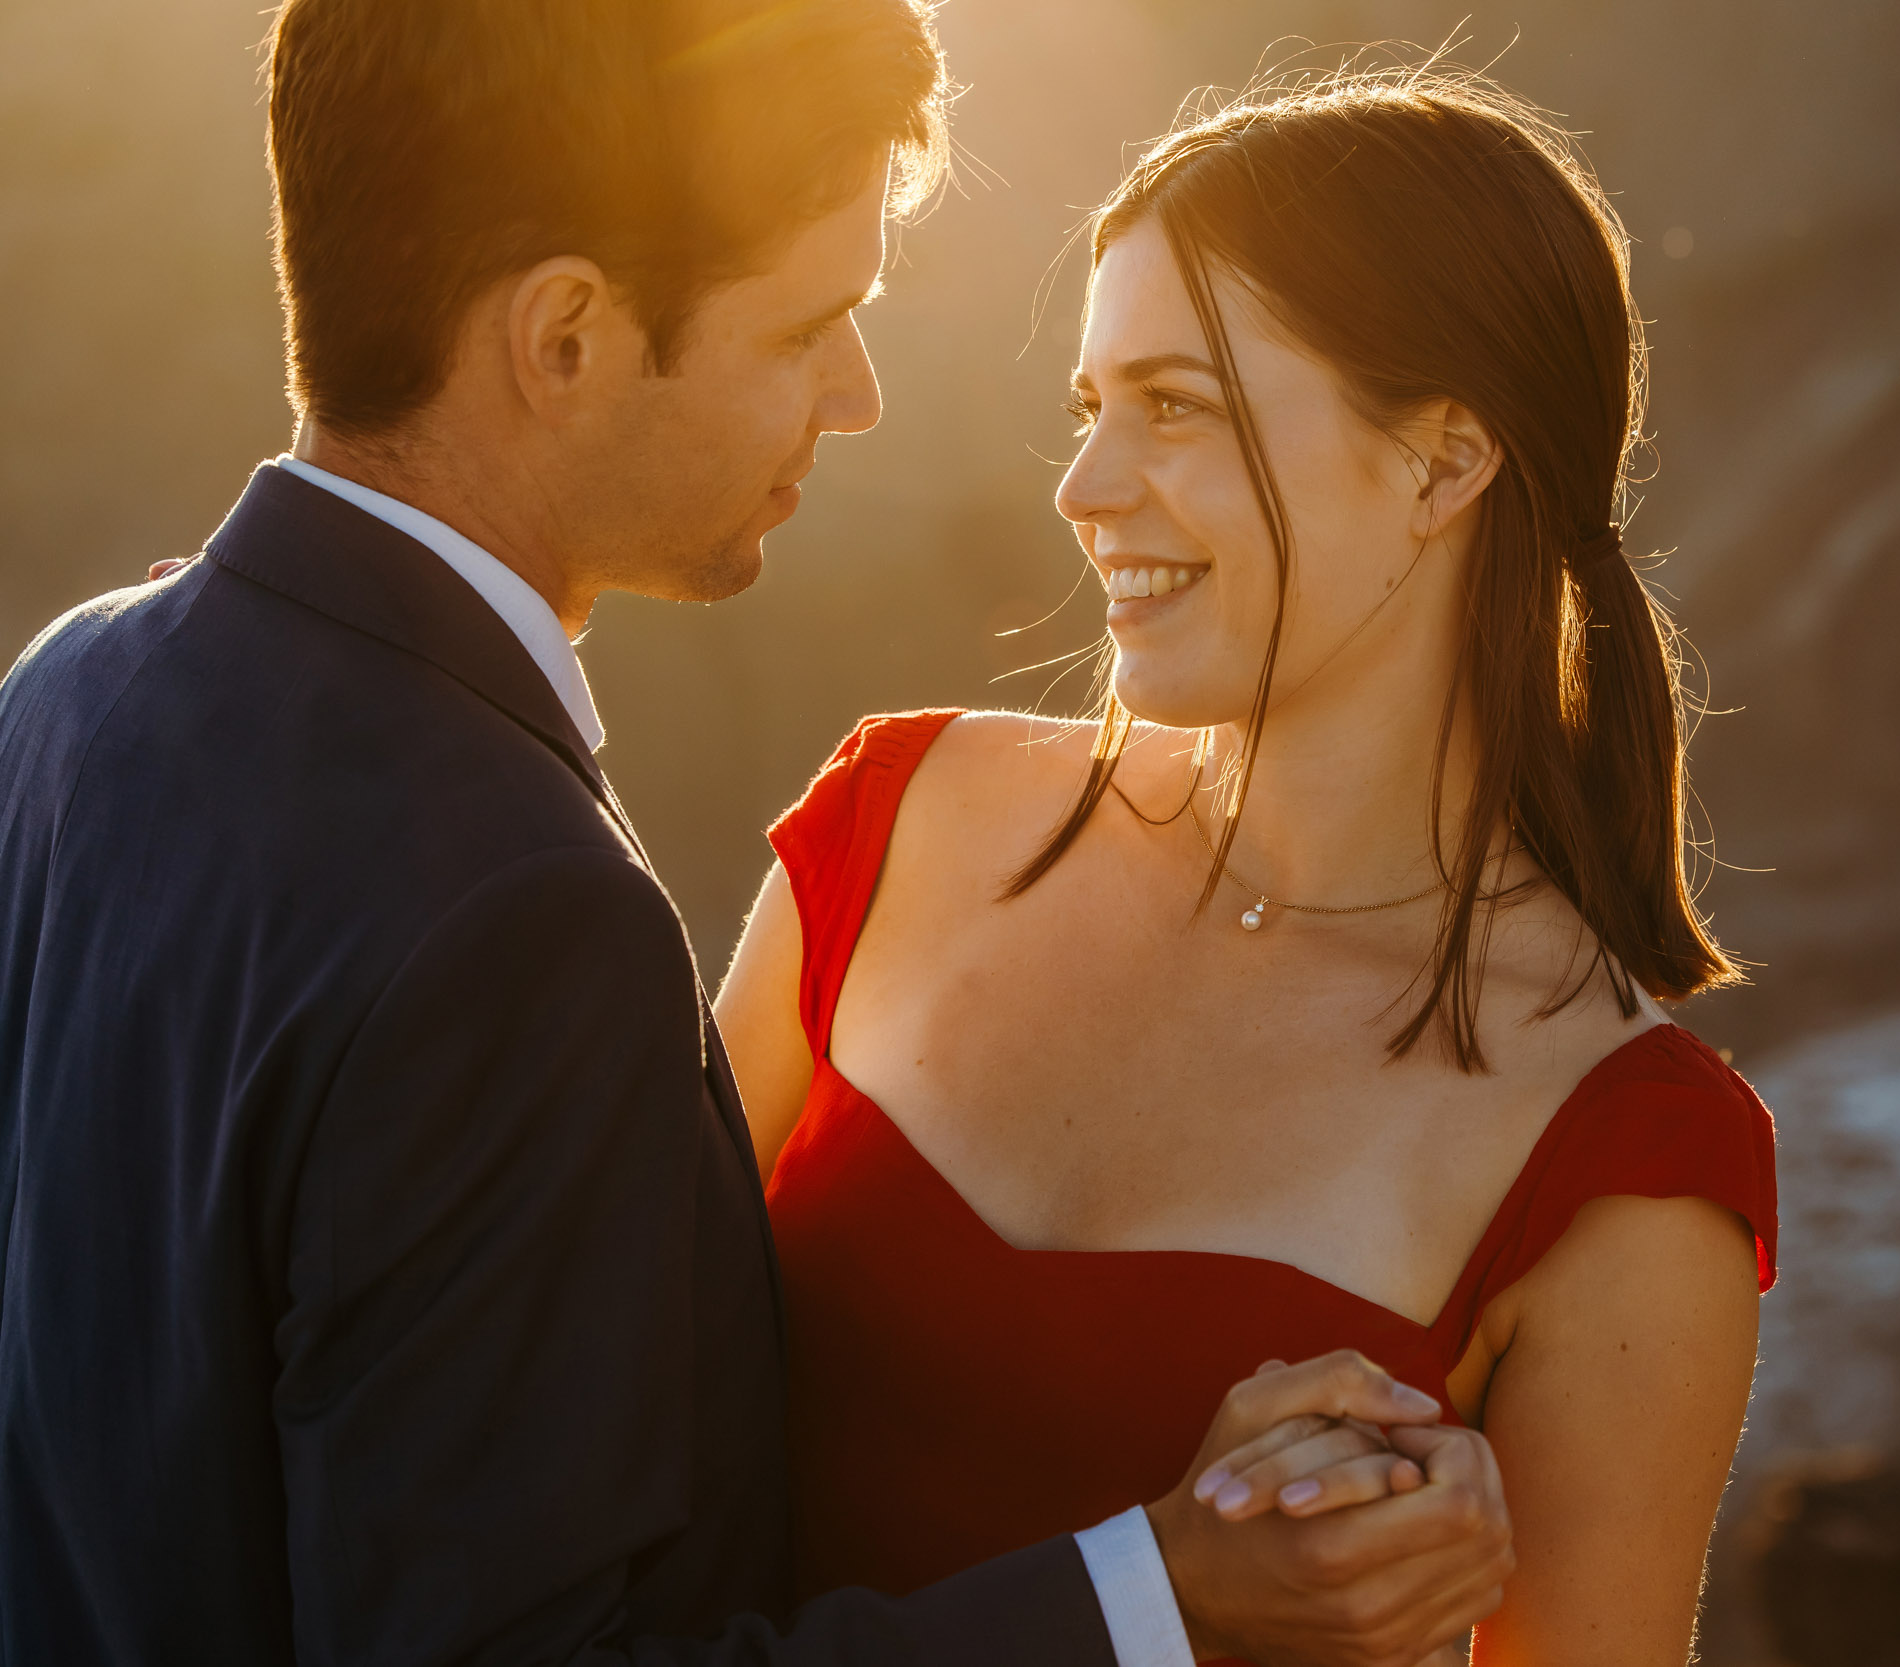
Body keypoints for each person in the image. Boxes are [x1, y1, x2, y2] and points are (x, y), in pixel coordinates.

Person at [0, 5, 1512, 1664]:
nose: (855, 397)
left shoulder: (70, 698)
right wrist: (1161, 1597)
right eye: (807, 327)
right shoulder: (519, 918)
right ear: (565, 336)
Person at [715, 69, 1781, 1667]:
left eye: (1176, 404)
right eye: (1091, 406)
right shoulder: (891, 826)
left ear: (1442, 465)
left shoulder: (1620, 1170)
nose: (1083, 489)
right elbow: (561, 1436)